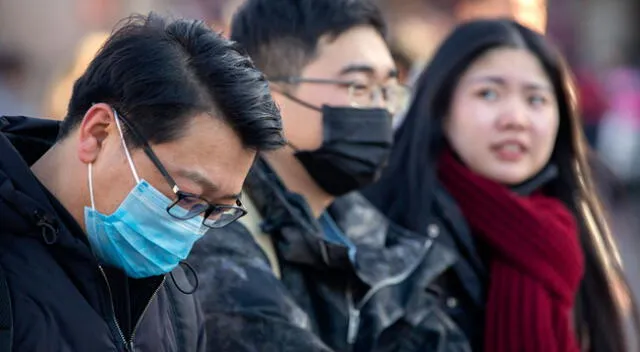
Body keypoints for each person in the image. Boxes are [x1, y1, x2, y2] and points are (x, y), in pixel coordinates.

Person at [187, 0, 465, 351]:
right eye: (358, 88)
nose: (380, 110)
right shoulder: (213, 227)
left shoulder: (375, 242)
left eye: (388, 91)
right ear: (269, 99)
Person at [0, 13, 284, 351]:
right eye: (188, 196)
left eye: (216, 210)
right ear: (99, 133)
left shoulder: (174, 293)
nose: (190, 228)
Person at [363, 19, 639, 351]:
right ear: (441, 106)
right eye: (488, 93)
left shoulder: (567, 236)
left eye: (536, 100)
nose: (515, 119)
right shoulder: (380, 226)